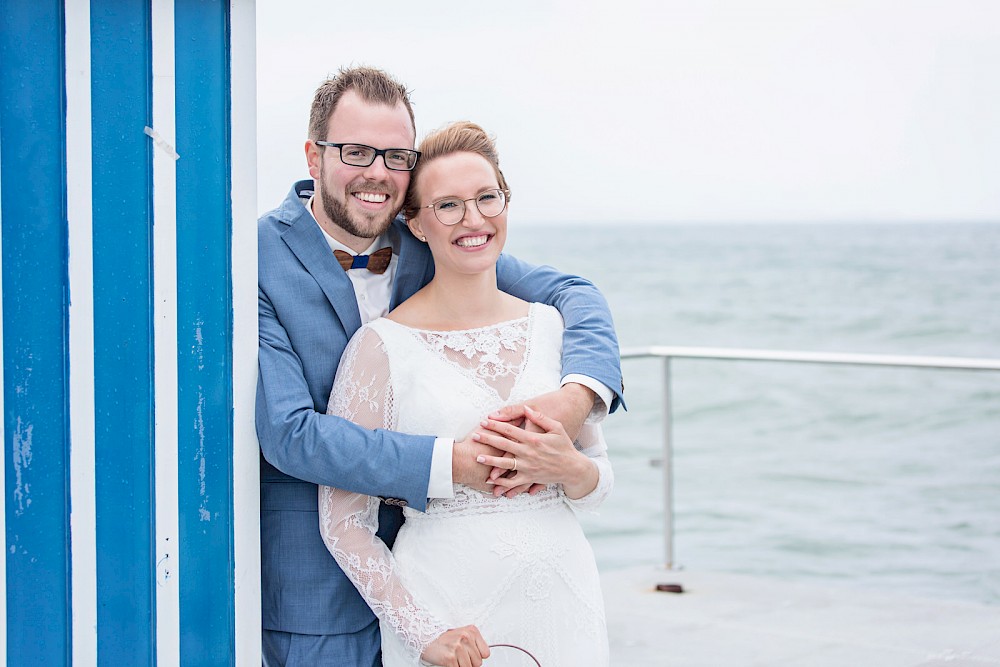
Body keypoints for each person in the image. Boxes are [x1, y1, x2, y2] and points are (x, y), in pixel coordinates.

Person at [257, 66, 623, 666]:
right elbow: (289, 433)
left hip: (479, 578)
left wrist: (576, 397)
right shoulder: (255, 257)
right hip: (318, 596)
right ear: (313, 155)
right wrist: (451, 462)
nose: (378, 173)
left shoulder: (431, 239)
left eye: (396, 156)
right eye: (355, 151)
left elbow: (575, 296)